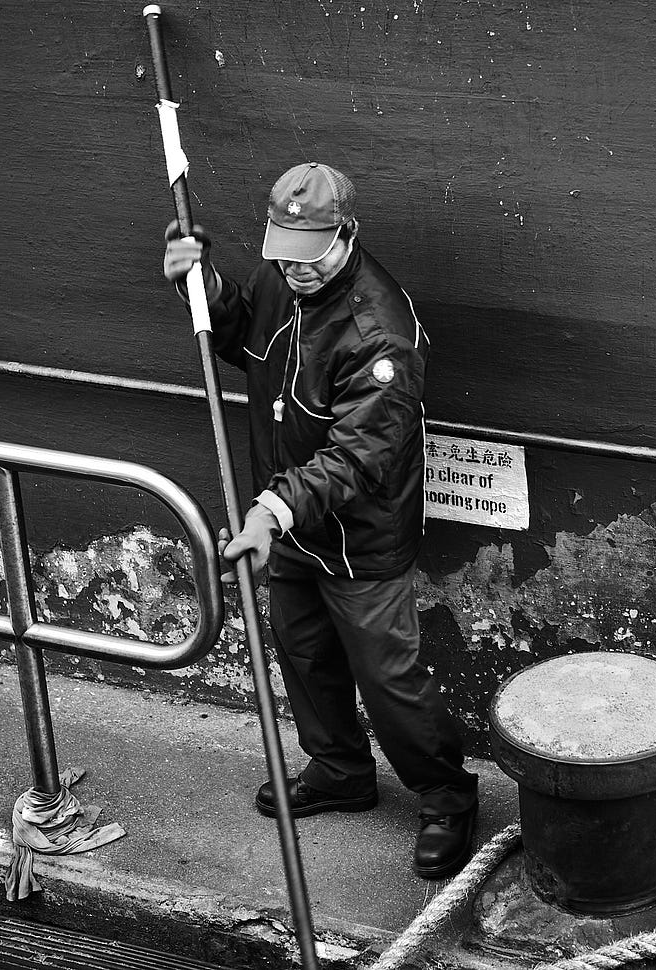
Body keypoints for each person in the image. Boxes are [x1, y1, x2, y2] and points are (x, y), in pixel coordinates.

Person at [162, 161, 479, 879]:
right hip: (287, 519)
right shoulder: (284, 275)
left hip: (358, 536)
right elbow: (243, 334)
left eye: (311, 257)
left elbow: (357, 456)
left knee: (387, 675)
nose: (296, 271)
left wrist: (270, 511)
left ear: (346, 234)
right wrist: (202, 286)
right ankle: (339, 771)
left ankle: (446, 796)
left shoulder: (381, 333)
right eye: (284, 254)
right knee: (302, 650)